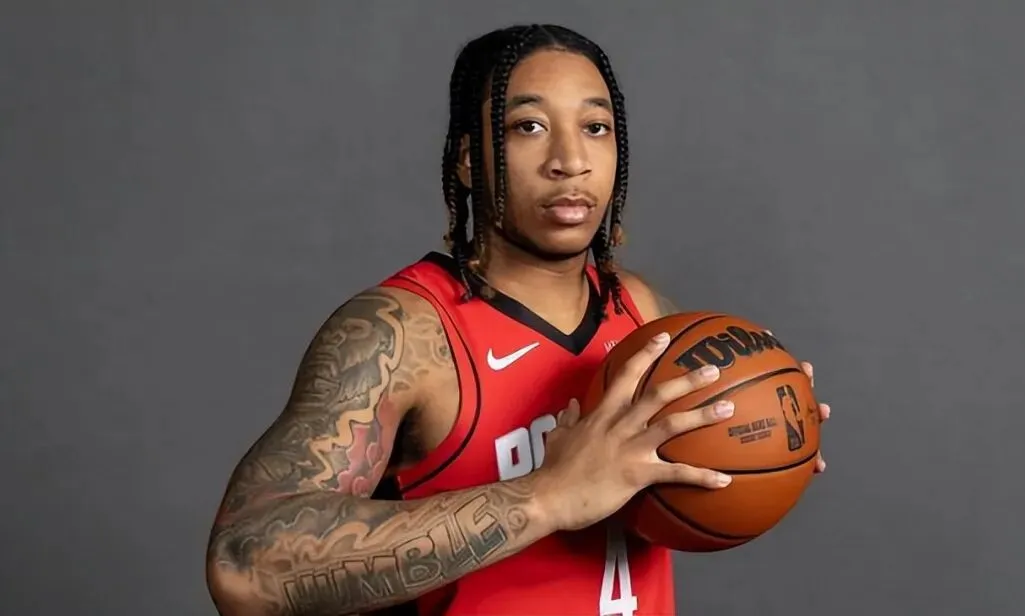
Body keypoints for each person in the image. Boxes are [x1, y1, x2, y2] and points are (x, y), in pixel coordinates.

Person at [205, 23, 831, 616]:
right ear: (467, 160)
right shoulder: (404, 333)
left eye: (595, 127)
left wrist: (765, 432)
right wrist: (548, 495)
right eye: (528, 126)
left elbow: (681, 490)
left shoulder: (639, 310)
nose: (570, 160)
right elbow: (244, 568)